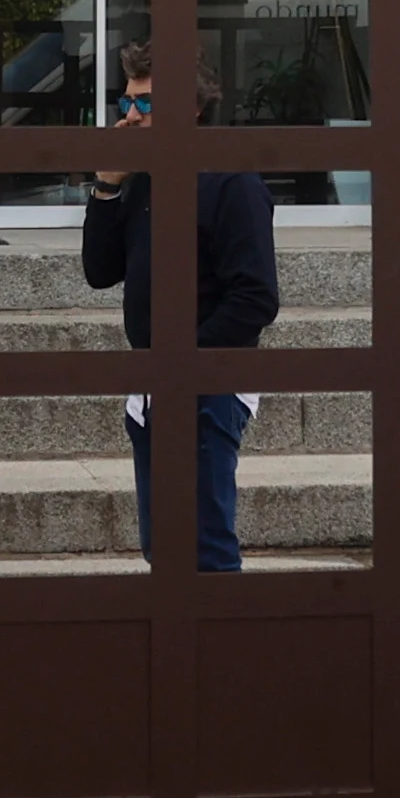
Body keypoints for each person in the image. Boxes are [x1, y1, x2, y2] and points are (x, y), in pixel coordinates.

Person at [80, 41, 279, 571]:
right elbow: (100, 273)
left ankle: (219, 649)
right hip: (151, 384)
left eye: (144, 104)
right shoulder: (145, 180)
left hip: (208, 383)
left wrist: (185, 362)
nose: (131, 116)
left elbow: (256, 297)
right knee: (162, 545)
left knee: (204, 546)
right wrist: (106, 186)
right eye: (126, 104)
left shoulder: (230, 180)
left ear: (189, 107)